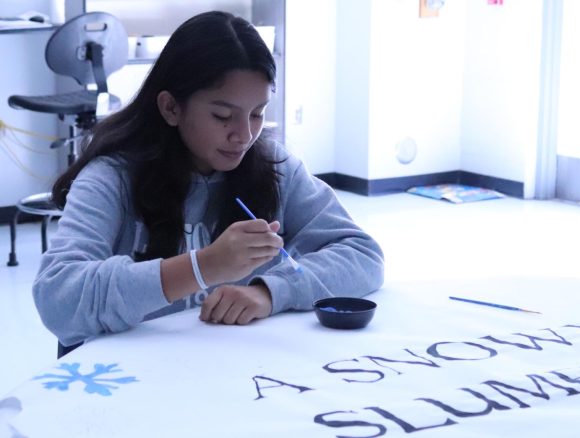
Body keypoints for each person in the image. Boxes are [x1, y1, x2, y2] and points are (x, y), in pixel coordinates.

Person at [32, 11, 385, 348]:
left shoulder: (275, 168)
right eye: (222, 116)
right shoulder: (112, 178)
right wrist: (202, 267)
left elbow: (363, 256)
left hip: (231, 374)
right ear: (171, 107)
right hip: (135, 381)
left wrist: (269, 292)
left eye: (258, 113)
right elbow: (59, 300)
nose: (244, 135)